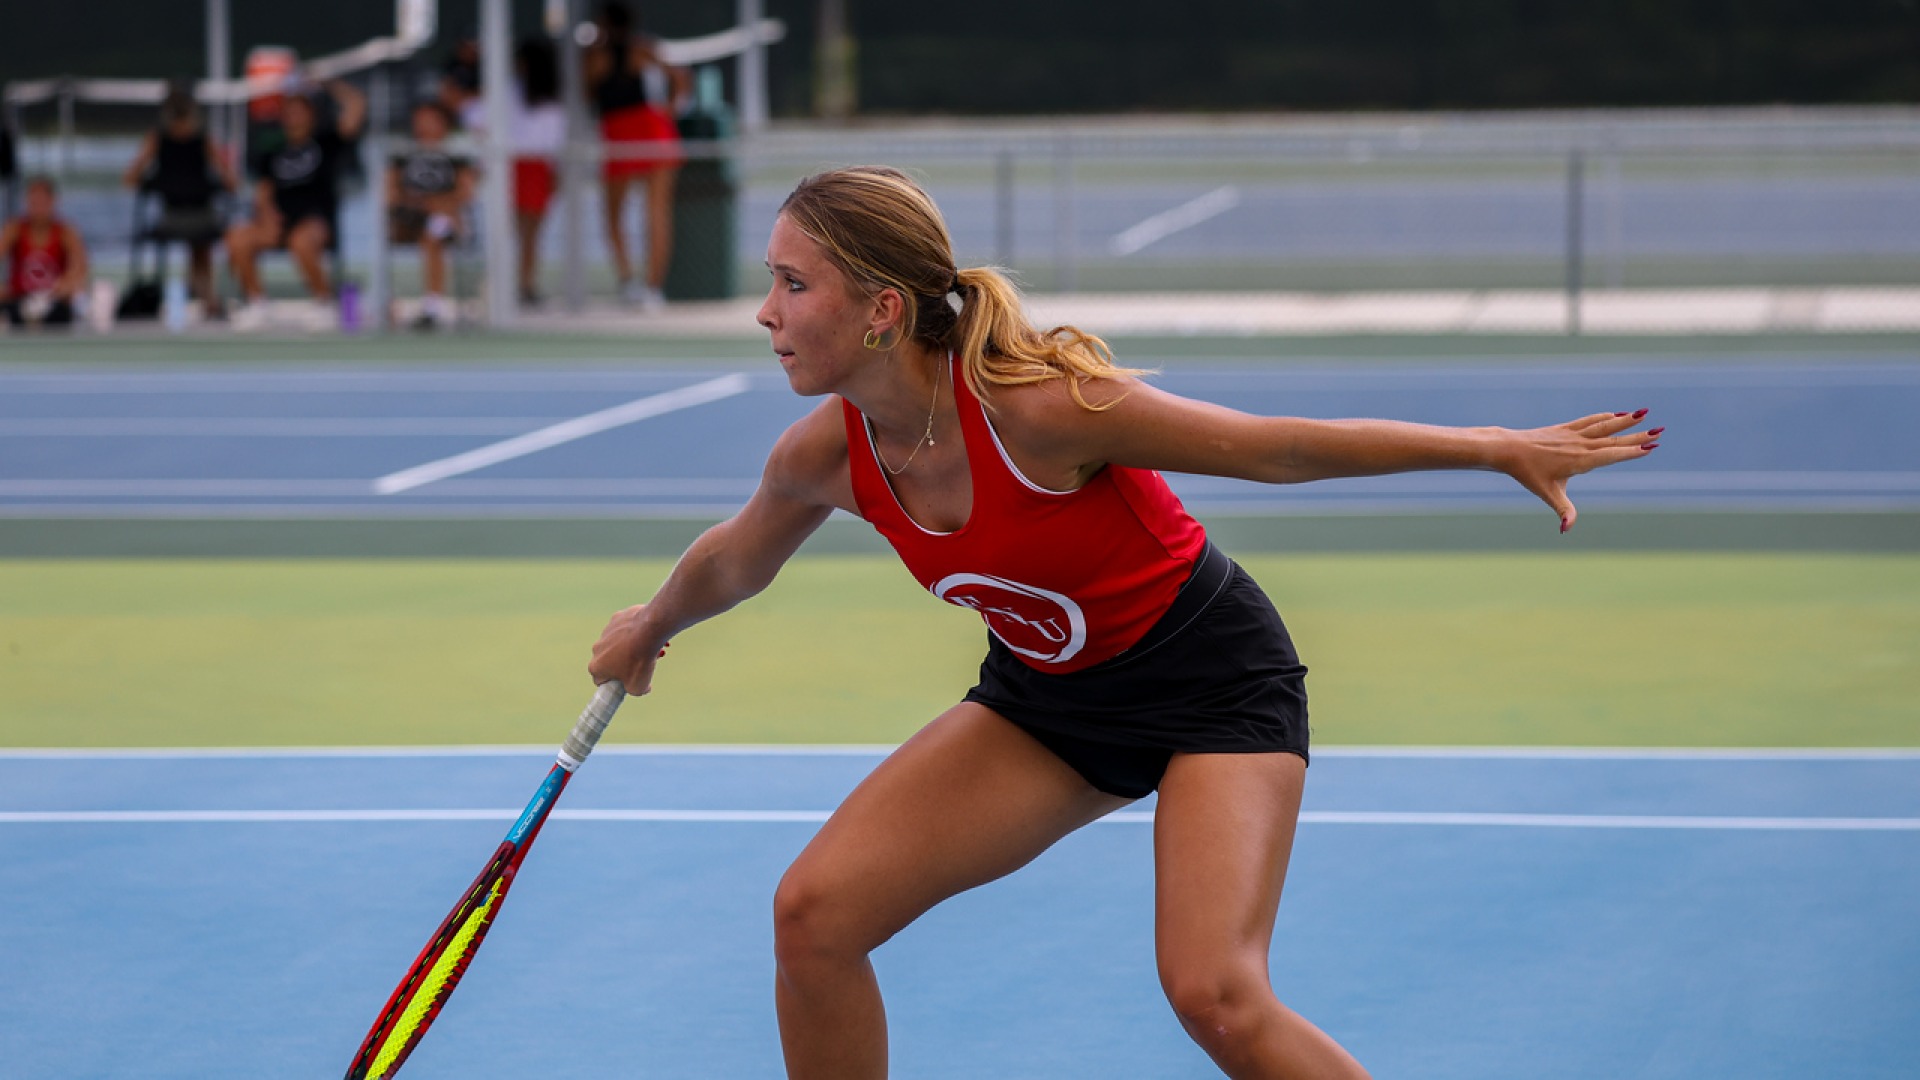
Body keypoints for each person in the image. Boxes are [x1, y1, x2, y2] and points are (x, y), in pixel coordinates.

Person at [587, 166, 1663, 1079]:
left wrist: (1492, 446)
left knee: (1218, 997)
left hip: (1212, 686)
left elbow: (1277, 446)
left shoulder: (1039, 412)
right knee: (813, 919)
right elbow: (736, 556)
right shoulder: (826, 455)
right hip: (1051, 704)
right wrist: (651, 623)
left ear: (881, 309)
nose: (766, 312)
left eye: (791, 283)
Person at [225, 78, 367, 331]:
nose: (294, 117)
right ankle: (258, 304)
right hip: (279, 221)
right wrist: (266, 216)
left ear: (311, 114)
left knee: (300, 241)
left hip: (315, 220)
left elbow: (356, 105)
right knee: (238, 238)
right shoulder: (273, 150)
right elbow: (264, 188)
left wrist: (328, 82)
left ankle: (325, 302)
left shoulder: (327, 142)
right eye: (289, 112)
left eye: (299, 111)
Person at [585, 1, 688, 311]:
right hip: (644, 129)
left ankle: (637, 282)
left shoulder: (596, 56)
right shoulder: (640, 49)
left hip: (627, 131)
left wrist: (668, 110)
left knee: (627, 214)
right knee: (653, 213)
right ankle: (647, 287)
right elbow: (680, 78)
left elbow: (587, 92)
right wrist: (669, 111)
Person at [122, 85, 240, 318]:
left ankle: (201, 292)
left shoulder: (199, 141)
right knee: (200, 237)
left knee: (201, 238)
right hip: (175, 217)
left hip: (195, 216)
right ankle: (204, 295)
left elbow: (230, 183)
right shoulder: (161, 140)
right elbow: (232, 183)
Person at [387, 101, 474, 330]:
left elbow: (465, 193)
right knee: (384, 232)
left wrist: (433, 203)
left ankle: (432, 307)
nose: (423, 126)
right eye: (419, 120)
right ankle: (384, 304)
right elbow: (391, 193)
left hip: (444, 218)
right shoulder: (403, 154)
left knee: (434, 232)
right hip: (408, 217)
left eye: (429, 120)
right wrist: (417, 203)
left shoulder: (456, 155)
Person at [509, 37, 565, 307]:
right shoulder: (514, 91)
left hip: (531, 166)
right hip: (519, 165)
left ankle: (524, 284)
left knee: (527, 234)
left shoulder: (549, 97)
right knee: (523, 234)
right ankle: (517, 284)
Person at [2, 176, 89, 330]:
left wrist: (66, 286)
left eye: (42, 203)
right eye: (34, 203)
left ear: (53, 202)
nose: (38, 208)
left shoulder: (66, 232)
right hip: (19, 300)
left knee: (77, 300)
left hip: (54, 302)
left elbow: (79, 269)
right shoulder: (14, 229)